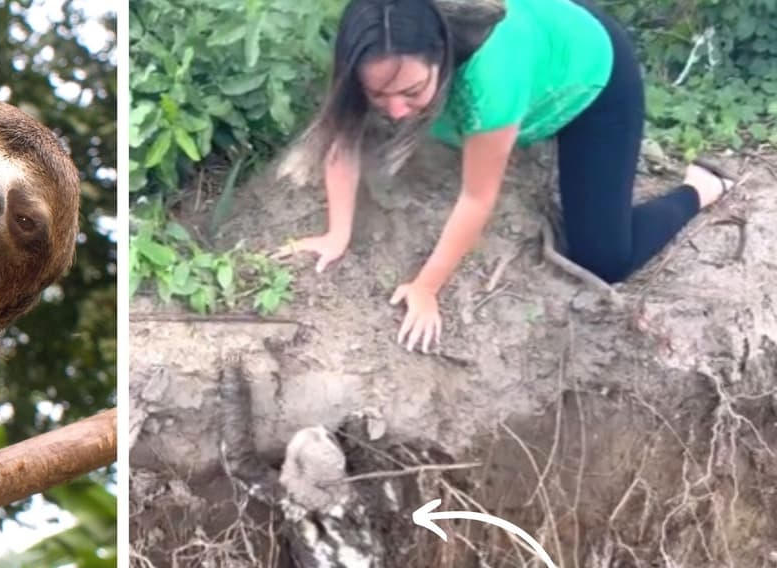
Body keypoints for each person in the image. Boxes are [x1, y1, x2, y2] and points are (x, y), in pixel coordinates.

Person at [279, 0, 734, 353]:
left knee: (605, 260)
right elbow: (343, 135)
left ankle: (700, 188)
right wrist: (336, 235)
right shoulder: (376, 44)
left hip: (588, 66)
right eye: (380, 95)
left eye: (412, 92)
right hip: (539, 38)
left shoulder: (488, 81)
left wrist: (426, 287)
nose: (396, 111)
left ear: (443, 53)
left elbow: (477, 198)